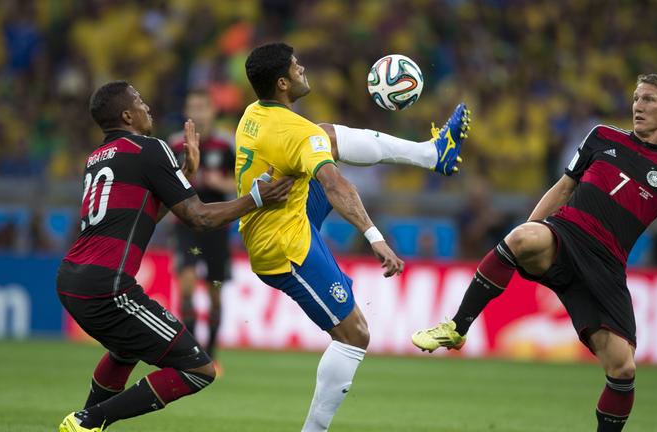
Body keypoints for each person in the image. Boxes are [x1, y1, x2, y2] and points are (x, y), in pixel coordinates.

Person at [412, 73, 657, 432]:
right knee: (522, 238)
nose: (638, 107)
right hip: (566, 236)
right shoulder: (603, 137)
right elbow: (564, 187)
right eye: (635, 98)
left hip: (607, 266)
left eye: (648, 100)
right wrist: (529, 231)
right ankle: (457, 328)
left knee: (622, 368)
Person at [237, 42, 469, 432]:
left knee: (324, 134)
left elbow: (311, 145)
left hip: (285, 213)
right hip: (282, 246)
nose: (303, 68)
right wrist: (374, 237)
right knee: (354, 335)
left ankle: (431, 155)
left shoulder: (254, 113)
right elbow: (336, 185)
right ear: (281, 82)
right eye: (296, 67)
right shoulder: (294, 133)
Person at [56, 80, 293, 432]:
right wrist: (256, 199)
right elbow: (198, 216)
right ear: (126, 115)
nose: (146, 106)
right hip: (108, 286)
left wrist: (182, 177)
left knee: (126, 349)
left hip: (72, 279)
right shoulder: (152, 148)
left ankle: (86, 425)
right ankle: (91, 419)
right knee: (199, 370)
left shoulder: (98, 157)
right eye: (138, 101)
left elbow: (144, 213)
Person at [168, 89, 235, 364]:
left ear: (212, 111)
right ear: (186, 112)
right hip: (186, 227)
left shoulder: (226, 145)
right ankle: (194, 354)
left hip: (217, 229)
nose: (197, 113)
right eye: (192, 107)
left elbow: (241, 182)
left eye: (202, 107)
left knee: (214, 292)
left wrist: (221, 184)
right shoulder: (173, 145)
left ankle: (212, 354)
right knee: (186, 286)